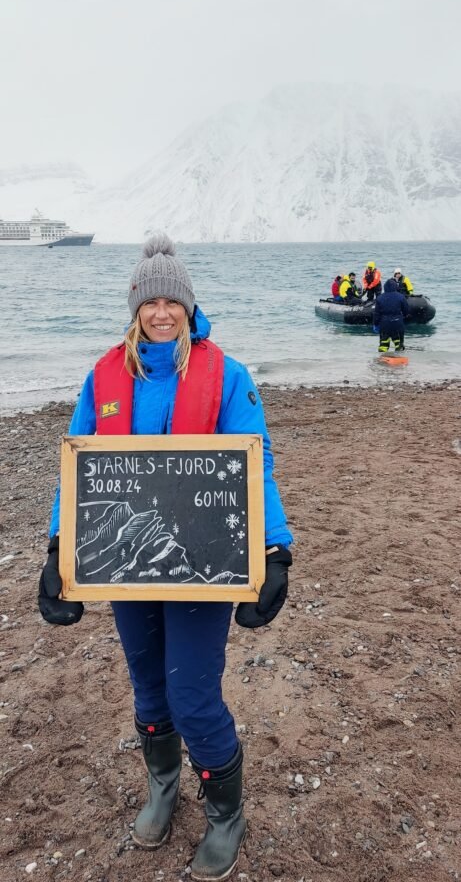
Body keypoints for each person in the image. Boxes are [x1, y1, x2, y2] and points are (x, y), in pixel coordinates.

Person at [38, 233, 293, 882]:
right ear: (135, 308)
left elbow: (254, 464)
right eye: (149, 302)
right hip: (126, 561)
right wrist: (59, 549)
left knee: (192, 695)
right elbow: (77, 470)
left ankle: (225, 814)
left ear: (188, 306)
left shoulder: (226, 375)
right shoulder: (103, 376)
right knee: (149, 685)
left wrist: (274, 548)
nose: (160, 312)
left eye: (171, 301)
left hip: (200, 563)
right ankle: (162, 786)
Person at [373, 277, 410, 353]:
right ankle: (399, 354)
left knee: (383, 345)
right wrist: (404, 319)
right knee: (399, 344)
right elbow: (406, 311)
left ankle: (382, 356)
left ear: (385, 287)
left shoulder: (380, 298)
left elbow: (377, 314)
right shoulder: (401, 297)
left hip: (384, 324)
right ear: (395, 287)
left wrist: (375, 324)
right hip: (397, 324)